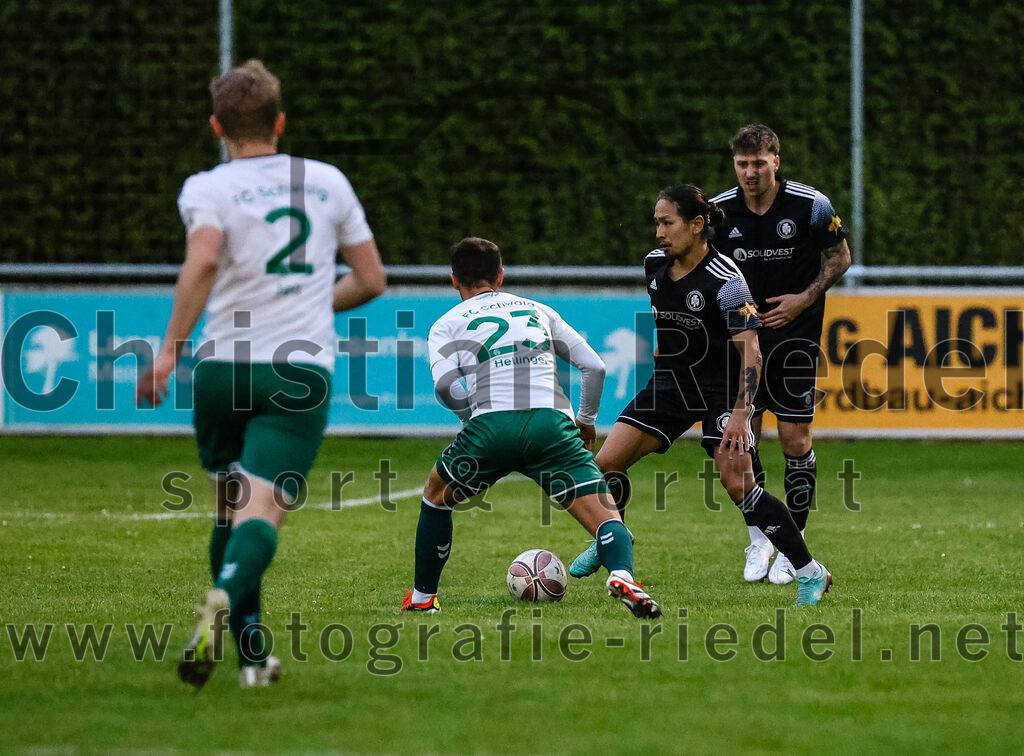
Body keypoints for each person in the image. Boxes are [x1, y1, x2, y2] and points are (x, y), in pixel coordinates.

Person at [135, 60, 386, 689]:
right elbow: (372, 279)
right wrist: (304, 305)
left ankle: (252, 659)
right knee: (264, 512)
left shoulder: (207, 187)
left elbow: (204, 260)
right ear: (279, 122)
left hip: (222, 368)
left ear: (218, 126)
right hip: (296, 373)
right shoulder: (327, 182)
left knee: (230, 509)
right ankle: (223, 601)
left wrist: (169, 350)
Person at [568, 185, 831, 606]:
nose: (659, 232)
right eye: (656, 222)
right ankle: (611, 540)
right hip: (671, 384)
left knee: (737, 483)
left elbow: (752, 351)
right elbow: (667, 318)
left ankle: (810, 572)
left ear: (696, 225)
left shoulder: (727, 281)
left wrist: (743, 414)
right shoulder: (654, 265)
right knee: (603, 466)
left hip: (722, 391)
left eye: (667, 222)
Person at [400, 237, 661, 619]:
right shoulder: (538, 310)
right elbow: (595, 367)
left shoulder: (446, 324)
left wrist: (469, 417)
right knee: (606, 515)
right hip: (550, 424)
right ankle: (623, 574)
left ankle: (423, 599)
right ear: (501, 275)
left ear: (454, 280)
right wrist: (586, 420)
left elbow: (444, 385)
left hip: (489, 427)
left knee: (435, 496)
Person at [711, 124, 851, 584]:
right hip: (738, 342)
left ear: (776, 162)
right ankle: (758, 540)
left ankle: (795, 547)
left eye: (759, 163)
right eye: (742, 164)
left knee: (795, 441)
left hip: (794, 338)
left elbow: (840, 258)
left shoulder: (812, 205)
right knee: (740, 444)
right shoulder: (716, 212)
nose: (750, 173)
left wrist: (804, 299)